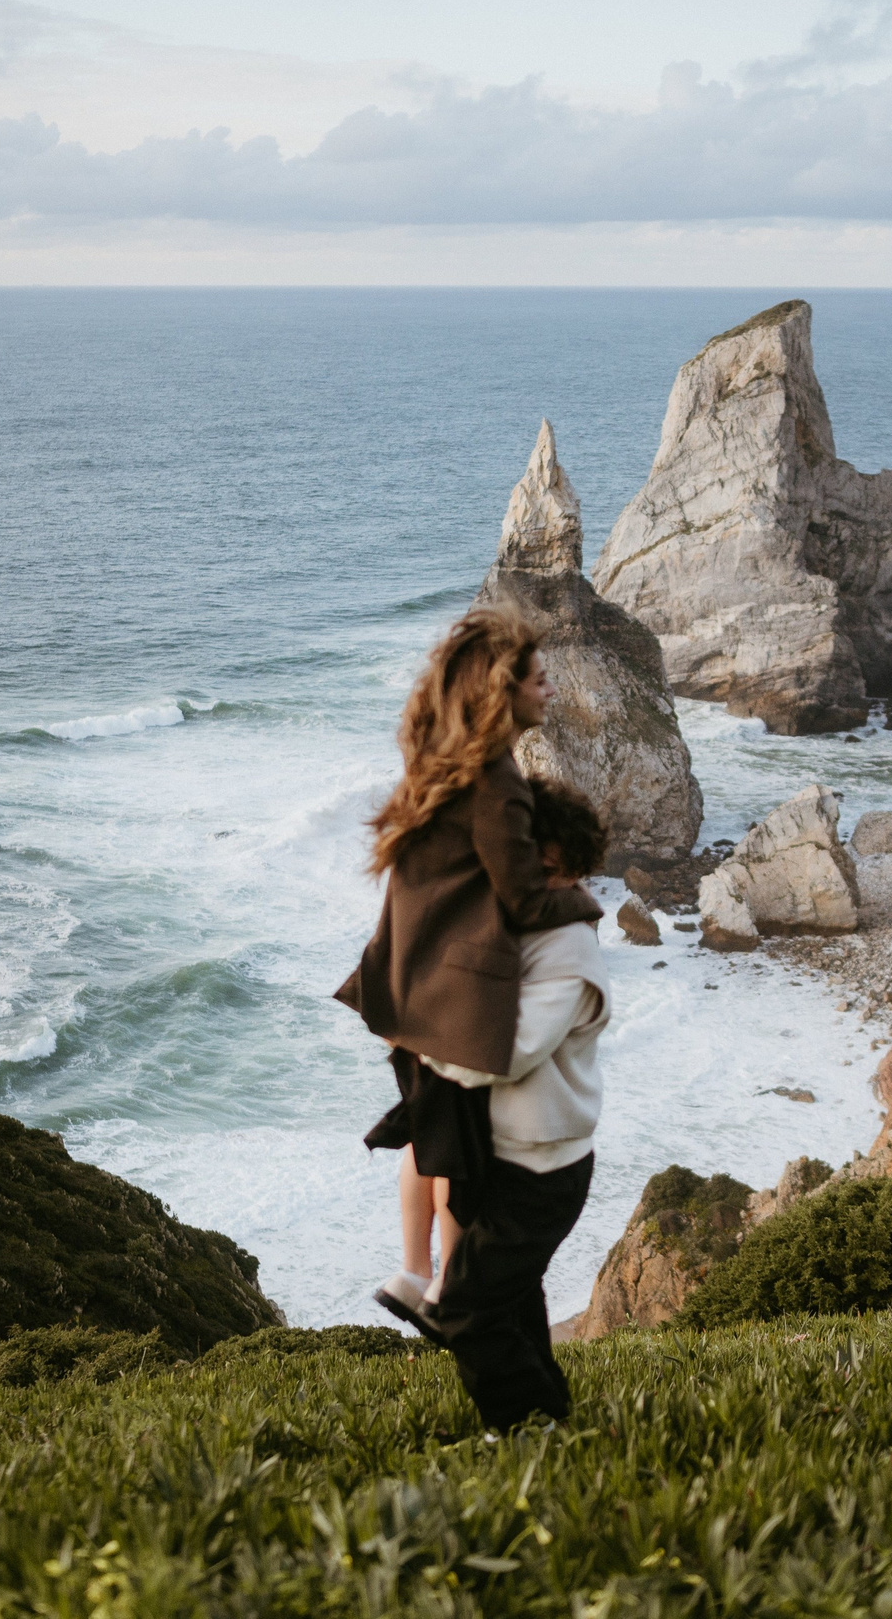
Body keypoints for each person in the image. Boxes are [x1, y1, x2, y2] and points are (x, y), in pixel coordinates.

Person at [335, 604, 602, 1427]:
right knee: (483, 1296)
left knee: (484, 1253)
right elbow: (522, 895)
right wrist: (583, 905)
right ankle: (533, 1420)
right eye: (535, 674)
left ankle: (431, 1286)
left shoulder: (444, 764)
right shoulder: (498, 783)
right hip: (447, 987)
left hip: (409, 968)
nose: (548, 684)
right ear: (501, 689)